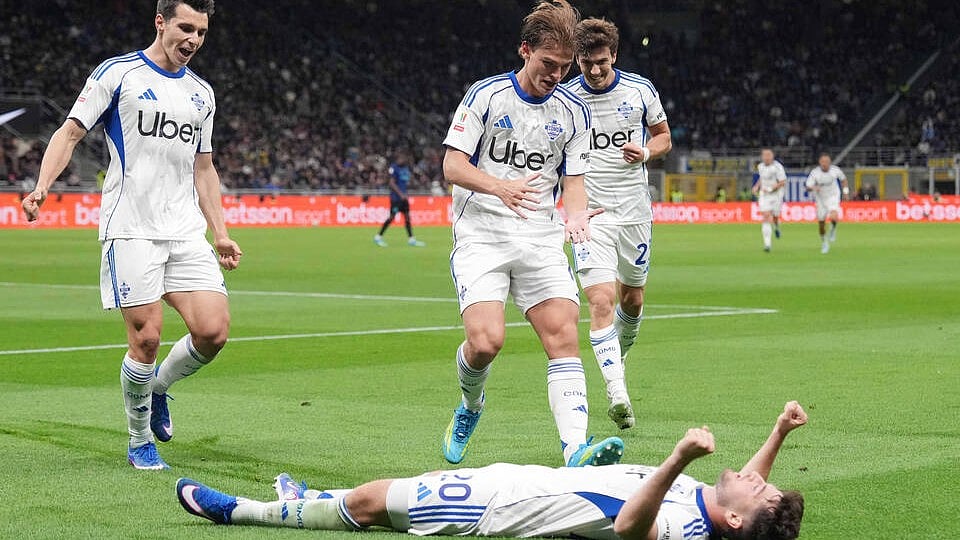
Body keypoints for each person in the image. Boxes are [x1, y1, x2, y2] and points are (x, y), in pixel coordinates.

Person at [21, 0, 241, 470]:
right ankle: (139, 439)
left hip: (184, 231)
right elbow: (70, 133)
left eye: (201, 32)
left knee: (213, 331)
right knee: (146, 338)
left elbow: (203, 167)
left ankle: (158, 388)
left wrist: (219, 232)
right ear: (160, 22)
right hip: (131, 228)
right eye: (185, 28)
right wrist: (42, 186)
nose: (193, 40)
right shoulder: (118, 74)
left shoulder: (203, 93)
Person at [176, 401, 808, 540]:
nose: (754, 476)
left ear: (731, 519)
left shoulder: (684, 528)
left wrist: (676, 458)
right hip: (519, 481)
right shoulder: (715, 507)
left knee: (373, 502)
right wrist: (776, 434)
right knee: (380, 493)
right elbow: (745, 490)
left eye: (758, 491)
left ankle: (243, 511)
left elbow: (629, 530)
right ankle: (309, 497)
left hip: (497, 510)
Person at [439, 0, 621, 467]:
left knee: (563, 336)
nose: (556, 75)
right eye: (547, 64)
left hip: (540, 236)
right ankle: (470, 407)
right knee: (485, 343)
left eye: (564, 67)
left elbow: (574, 184)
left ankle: (575, 449)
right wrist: (499, 186)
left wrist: (576, 218)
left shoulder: (574, 113)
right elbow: (452, 165)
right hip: (482, 234)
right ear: (525, 50)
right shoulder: (486, 96)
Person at [564, 18, 672, 430]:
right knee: (601, 300)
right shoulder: (565, 97)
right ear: (577, 59)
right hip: (590, 214)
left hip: (634, 211)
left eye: (602, 63)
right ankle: (616, 392)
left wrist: (645, 151)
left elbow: (663, 137)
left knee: (633, 300)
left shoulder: (640, 90)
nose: (594, 70)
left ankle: (619, 361)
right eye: (587, 63)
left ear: (615, 56)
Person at [374, 153, 425, 247]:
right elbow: (391, 183)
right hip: (396, 199)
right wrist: (401, 194)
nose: (403, 160)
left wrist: (415, 181)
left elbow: (407, 182)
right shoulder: (394, 168)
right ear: (399, 158)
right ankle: (378, 237)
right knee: (391, 217)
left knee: (407, 218)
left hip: (404, 198)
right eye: (402, 158)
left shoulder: (406, 169)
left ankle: (411, 239)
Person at [804, 153, 848, 254]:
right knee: (821, 224)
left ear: (830, 162)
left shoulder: (835, 170)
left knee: (833, 216)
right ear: (820, 162)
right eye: (823, 162)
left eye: (827, 162)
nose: (825, 164)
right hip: (820, 199)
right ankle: (824, 242)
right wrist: (814, 188)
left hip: (833, 196)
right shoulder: (815, 173)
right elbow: (807, 186)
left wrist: (845, 192)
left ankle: (833, 229)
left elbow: (844, 180)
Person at [753, 148, 787, 252]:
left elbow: (782, 182)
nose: (767, 157)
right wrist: (756, 186)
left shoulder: (777, 167)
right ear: (762, 157)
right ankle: (767, 244)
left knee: (775, 217)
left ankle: (776, 227)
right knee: (766, 216)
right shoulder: (760, 166)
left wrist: (771, 188)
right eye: (765, 155)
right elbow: (762, 178)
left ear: (772, 156)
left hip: (776, 195)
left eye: (769, 155)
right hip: (764, 195)